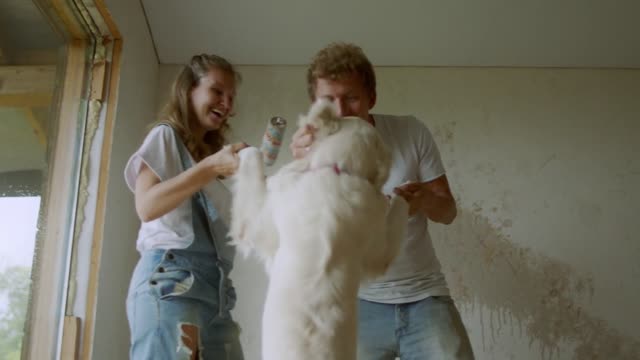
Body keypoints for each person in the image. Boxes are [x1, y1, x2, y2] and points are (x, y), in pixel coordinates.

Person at [290, 43, 474, 359]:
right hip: (354, 303)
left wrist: (424, 200)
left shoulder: (411, 132)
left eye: (351, 97)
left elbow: (448, 212)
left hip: (424, 296)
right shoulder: (310, 151)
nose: (342, 110)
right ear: (315, 105)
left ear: (371, 98)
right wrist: (303, 171)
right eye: (328, 100)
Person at [124, 54, 247, 359]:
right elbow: (147, 206)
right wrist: (209, 167)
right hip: (174, 285)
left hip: (217, 296)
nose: (227, 103)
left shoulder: (209, 170)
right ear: (189, 89)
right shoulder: (165, 136)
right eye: (217, 91)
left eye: (231, 97)